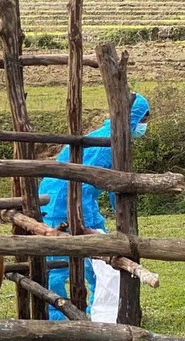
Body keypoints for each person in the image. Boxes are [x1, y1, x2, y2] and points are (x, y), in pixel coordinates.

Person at [38, 93, 150, 320]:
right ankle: (56, 314)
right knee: (66, 261)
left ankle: (93, 310)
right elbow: (100, 184)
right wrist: (106, 217)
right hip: (62, 200)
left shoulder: (108, 137)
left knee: (95, 260)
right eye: (145, 120)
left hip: (66, 196)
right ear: (135, 117)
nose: (145, 126)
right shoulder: (108, 144)